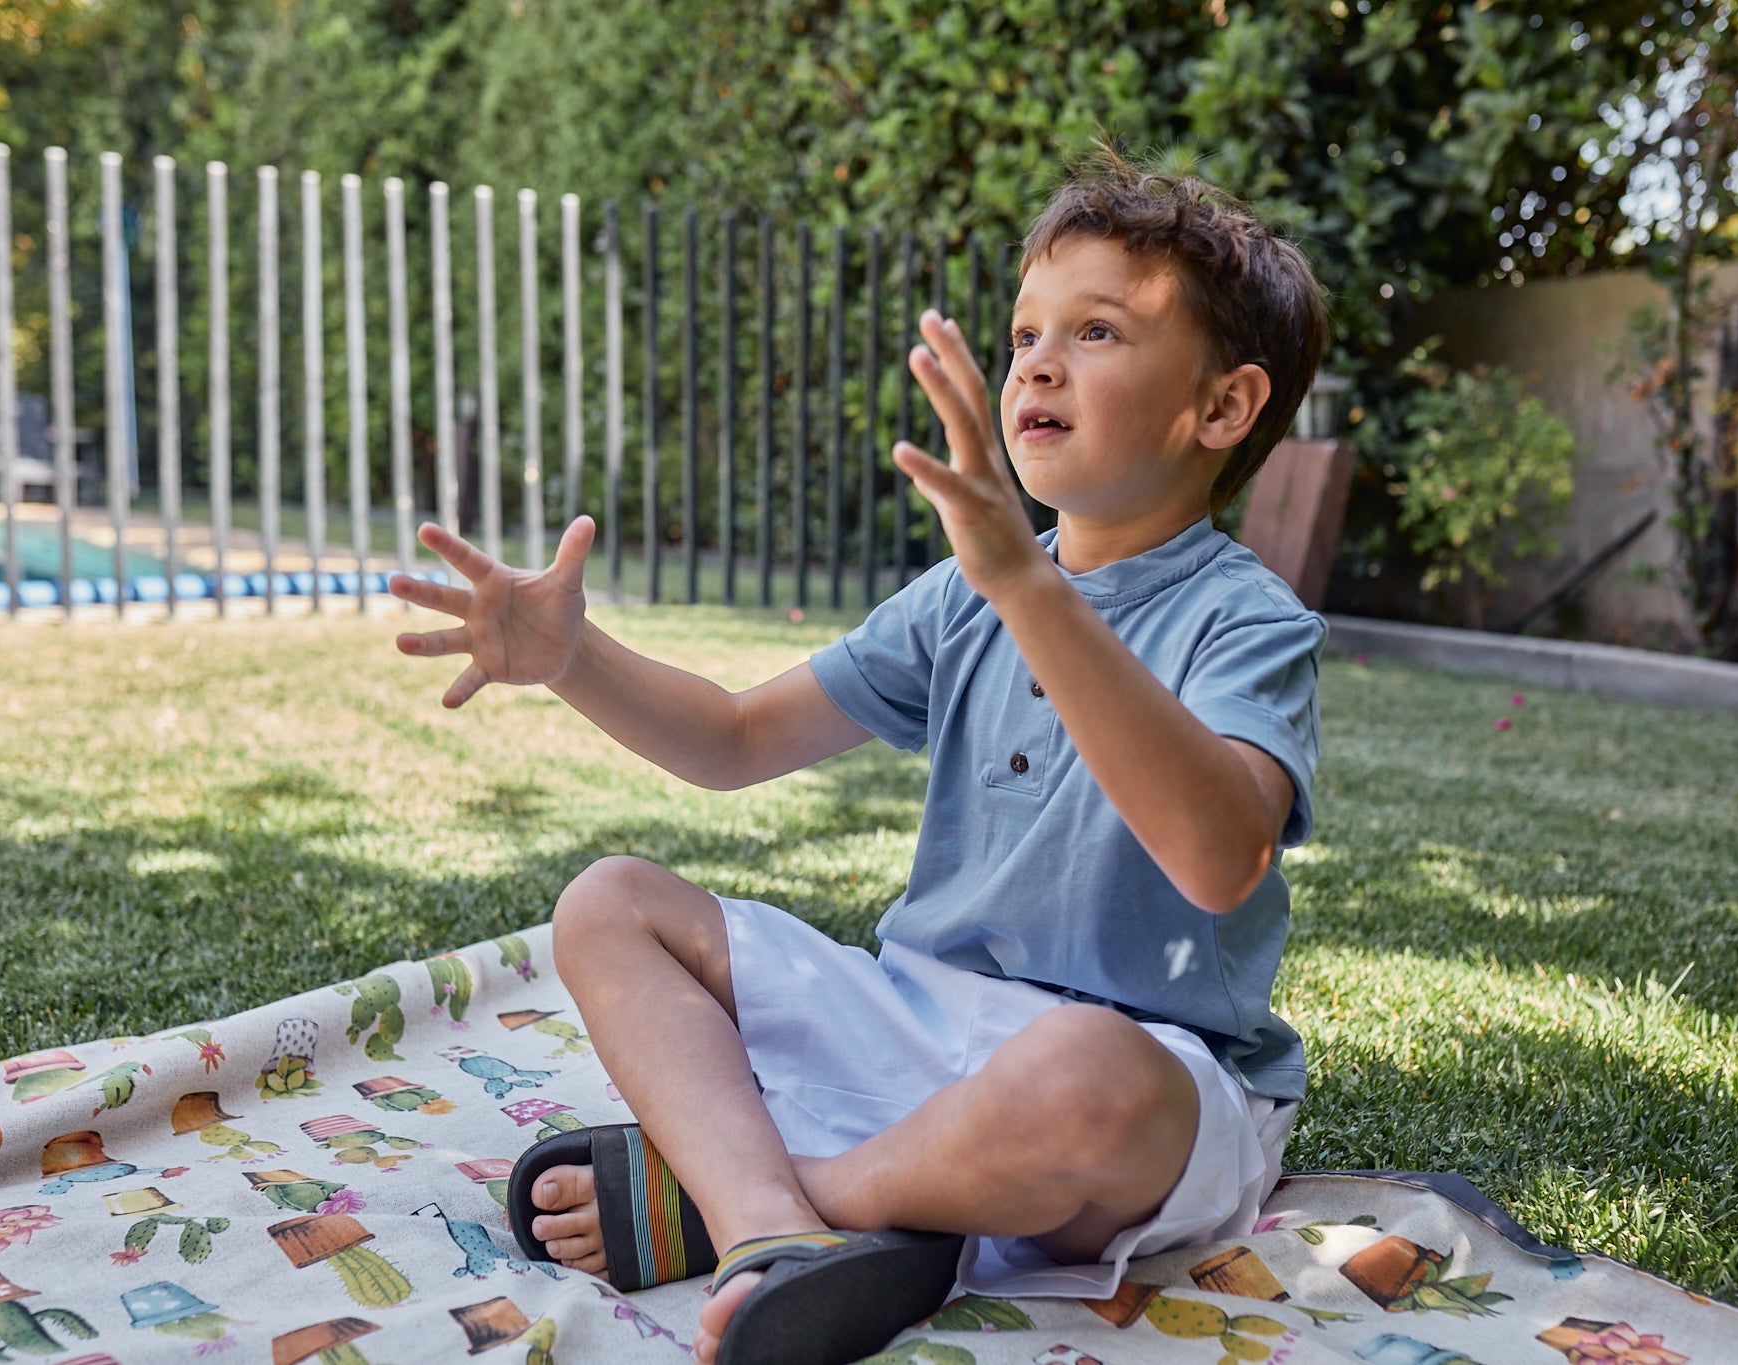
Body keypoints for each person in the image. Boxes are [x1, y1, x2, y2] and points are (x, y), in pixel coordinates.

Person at [391, 143, 1330, 1365]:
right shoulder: (963, 597)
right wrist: (575, 655)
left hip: (1142, 1084)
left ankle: (783, 1194)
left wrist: (1024, 586)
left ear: (1221, 407)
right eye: (1023, 333)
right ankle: (786, 1225)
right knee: (610, 901)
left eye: (1097, 334)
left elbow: (1219, 857)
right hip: (918, 1023)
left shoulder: (1241, 618)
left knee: (1080, 1073)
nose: (1037, 361)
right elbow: (731, 741)